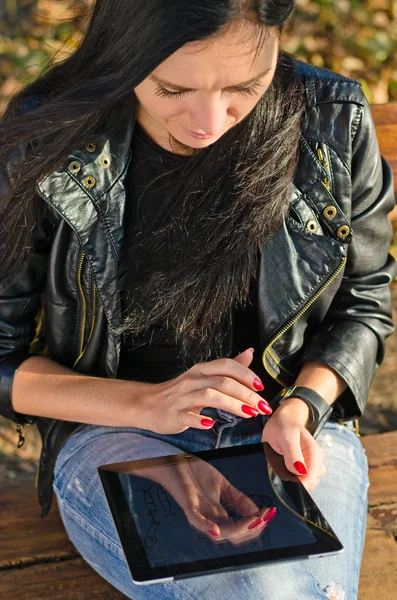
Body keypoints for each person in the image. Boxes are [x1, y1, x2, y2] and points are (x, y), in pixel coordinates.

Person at [0, 0, 396, 598]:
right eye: (170, 88)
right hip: (119, 433)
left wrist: (303, 408)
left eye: (244, 85)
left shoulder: (331, 120)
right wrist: (149, 405)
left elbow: (364, 302)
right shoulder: (52, 132)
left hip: (290, 428)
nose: (209, 121)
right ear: (124, 53)